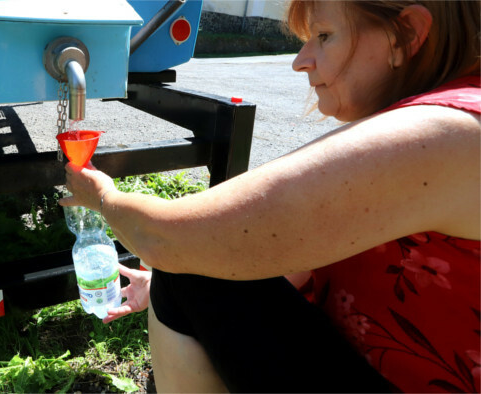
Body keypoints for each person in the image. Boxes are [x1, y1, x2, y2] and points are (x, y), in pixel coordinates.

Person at [60, 0, 480, 392]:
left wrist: (102, 197)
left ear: (405, 34)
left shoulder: (448, 135)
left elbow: (173, 239)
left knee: (190, 266)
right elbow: (294, 252)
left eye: (325, 36)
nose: (300, 60)